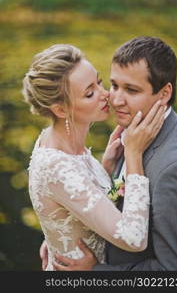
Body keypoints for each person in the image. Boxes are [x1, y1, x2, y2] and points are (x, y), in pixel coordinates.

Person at [22, 43, 165, 271]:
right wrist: (134, 155)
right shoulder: (56, 165)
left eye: (99, 82)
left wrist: (106, 169)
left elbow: (80, 205)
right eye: (90, 93)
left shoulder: (61, 143)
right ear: (60, 110)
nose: (106, 94)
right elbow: (134, 238)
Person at [48, 36, 177, 271]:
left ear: (164, 93)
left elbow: (172, 272)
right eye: (114, 85)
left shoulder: (173, 167)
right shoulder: (132, 132)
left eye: (131, 90)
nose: (115, 99)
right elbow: (118, 207)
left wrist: (95, 273)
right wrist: (62, 237)